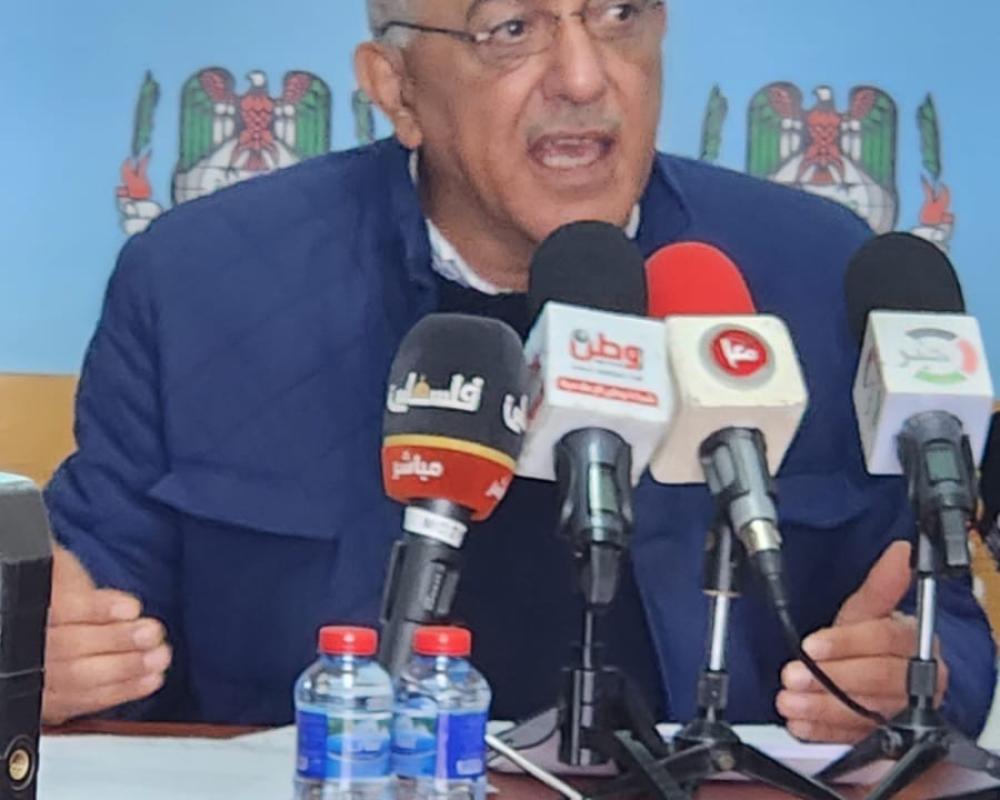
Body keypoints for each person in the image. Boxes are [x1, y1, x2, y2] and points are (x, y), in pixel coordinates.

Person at [42, 0, 995, 743]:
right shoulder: (202, 284)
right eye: (511, 29)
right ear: (397, 88)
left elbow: (937, 614)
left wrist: (914, 672)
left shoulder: (811, 272)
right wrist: (42, 662)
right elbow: (94, 614)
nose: (584, 76)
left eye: (619, 15)